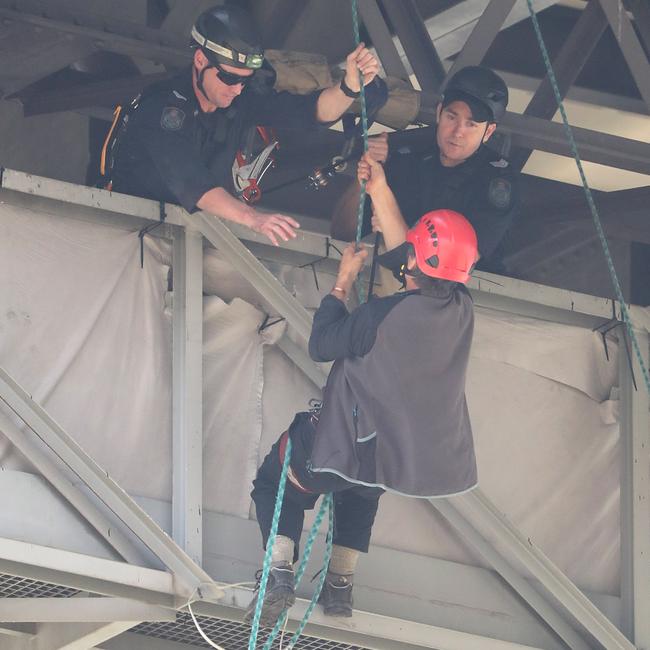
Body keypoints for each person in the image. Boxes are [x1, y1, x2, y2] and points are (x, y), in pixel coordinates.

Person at [246, 205, 479, 626]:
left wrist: (344, 281)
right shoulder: (463, 312)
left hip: (345, 445)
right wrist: (381, 199)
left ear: (414, 260)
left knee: (276, 478)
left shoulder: (378, 316)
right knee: (361, 489)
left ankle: (278, 571)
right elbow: (422, 270)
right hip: (394, 457)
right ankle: (340, 585)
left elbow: (322, 345)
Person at [100, 5, 379, 246]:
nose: (237, 89)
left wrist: (349, 87)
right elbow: (191, 182)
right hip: (127, 233)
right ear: (200, 60)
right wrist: (253, 219)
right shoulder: (163, 109)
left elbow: (309, 113)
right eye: (229, 78)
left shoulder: (240, 99)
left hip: (186, 235)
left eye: (245, 80)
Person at [331, 65, 518, 269]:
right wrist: (365, 175)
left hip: (457, 295)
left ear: (489, 132)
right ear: (439, 112)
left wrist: (388, 214)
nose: (457, 132)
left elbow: (453, 264)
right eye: (451, 117)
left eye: (471, 124)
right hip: (393, 285)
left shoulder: (497, 179)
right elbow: (342, 232)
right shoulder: (409, 157)